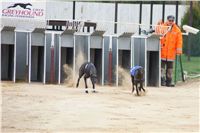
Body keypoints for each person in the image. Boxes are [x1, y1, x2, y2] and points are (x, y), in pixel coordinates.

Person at [156, 15, 183, 87]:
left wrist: (179, 51)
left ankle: (169, 82)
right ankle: (161, 81)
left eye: (172, 21)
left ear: (173, 21)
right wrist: (158, 24)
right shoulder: (162, 27)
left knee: (170, 70)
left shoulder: (177, 30)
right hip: (162, 53)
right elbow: (157, 33)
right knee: (161, 69)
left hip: (171, 54)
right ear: (167, 20)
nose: (171, 22)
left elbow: (179, 41)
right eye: (169, 20)